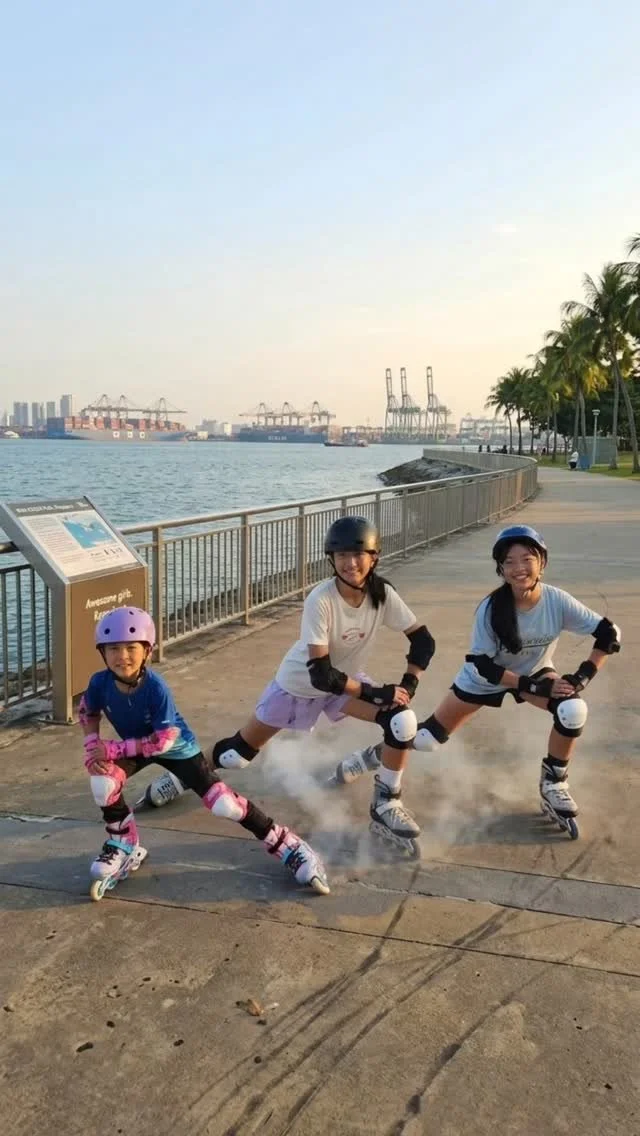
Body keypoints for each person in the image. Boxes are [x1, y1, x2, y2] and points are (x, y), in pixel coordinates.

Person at [146, 517, 436, 855]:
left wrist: (407, 686)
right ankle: (183, 775)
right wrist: (375, 692)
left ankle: (386, 802)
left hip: (345, 686)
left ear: (374, 557)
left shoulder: (382, 595)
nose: (350, 563)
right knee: (236, 755)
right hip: (299, 686)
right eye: (341, 555)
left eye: (359, 554)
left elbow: (423, 641)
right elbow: (321, 675)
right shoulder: (321, 599)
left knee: (401, 720)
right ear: (331, 559)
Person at [331, 524, 620, 839]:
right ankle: (374, 755)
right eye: (509, 562)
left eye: (527, 559)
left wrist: (580, 678)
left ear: (542, 562)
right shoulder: (491, 609)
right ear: (500, 568)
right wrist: (535, 687)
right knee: (426, 739)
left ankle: (555, 783)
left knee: (572, 710)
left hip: (535, 672)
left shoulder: (556, 600)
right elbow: (484, 666)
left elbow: (608, 633)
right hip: (482, 681)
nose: (519, 568)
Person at [80, 606, 330, 895]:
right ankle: (123, 844)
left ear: (147, 650)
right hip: (135, 747)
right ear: (102, 652)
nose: (121, 656)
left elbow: (162, 742)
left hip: (177, 749)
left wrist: (111, 748)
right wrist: (91, 746)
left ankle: (287, 844)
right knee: (104, 782)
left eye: (130, 648)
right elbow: (88, 711)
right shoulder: (99, 683)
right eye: (113, 648)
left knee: (224, 804)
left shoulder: (155, 688)